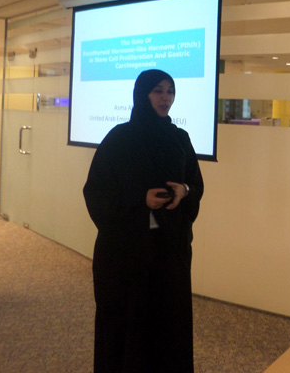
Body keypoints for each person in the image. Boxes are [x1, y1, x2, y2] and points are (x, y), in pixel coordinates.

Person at [83, 69, 204, 373]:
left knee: (168, 325)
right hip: (126, 255)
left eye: (170, 91)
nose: (166, 98)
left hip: (169, 251)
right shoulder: (120, 139)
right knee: (128, 327)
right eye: (158, 91)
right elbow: (96, 192)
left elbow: (195, 183)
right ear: (142, 95)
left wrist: (184, 190)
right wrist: (141, 201)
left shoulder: (180, 138)